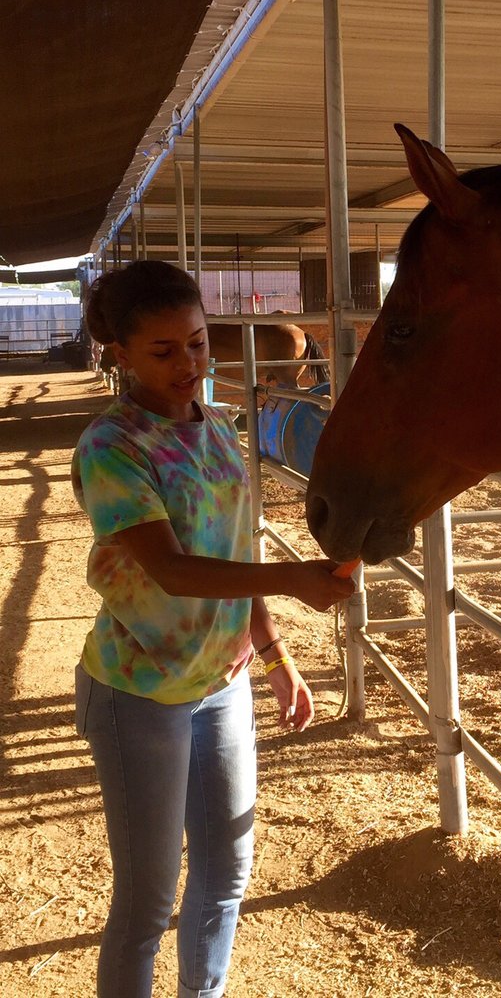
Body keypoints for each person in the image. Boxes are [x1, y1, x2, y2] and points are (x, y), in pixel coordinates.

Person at [72, 260, 353, 998]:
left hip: (222, 684)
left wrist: (274, 655)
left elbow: (236, 548)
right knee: (146, 906)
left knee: (227, 874)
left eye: (196, 343)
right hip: (140, 690)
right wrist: (296, 581)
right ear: (120, 355)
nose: (188, 364)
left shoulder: (221, 426)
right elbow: (174, 569)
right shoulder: (112, 445)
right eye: (163, 352)